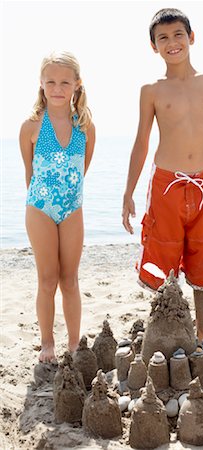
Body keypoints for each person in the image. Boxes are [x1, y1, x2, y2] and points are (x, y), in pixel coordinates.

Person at [122, 8, 203, 343]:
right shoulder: (151, 91)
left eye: (178, 35)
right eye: (163, 38)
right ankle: (165, 329)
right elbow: (141, 141)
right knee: (162, 252)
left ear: (192, 37)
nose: (172, 43)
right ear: (154, 46)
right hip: (165, 184)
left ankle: (200, 334)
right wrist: (128, 192)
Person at [19, 51, 95, 363]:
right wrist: (43, 203)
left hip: (72, 209)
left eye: (65, 82)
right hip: (40, 208)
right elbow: (29, 172)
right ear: (41, 84)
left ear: (77, 84)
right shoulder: (32, 126)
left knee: (70, 279)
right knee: (47, 279)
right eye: (51, 81)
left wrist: (67, 201)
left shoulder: (86, 127)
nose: (57, 88)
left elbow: (81, 170)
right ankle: (47, 343)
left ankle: (74, 344)